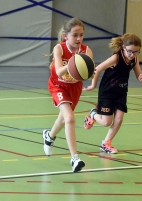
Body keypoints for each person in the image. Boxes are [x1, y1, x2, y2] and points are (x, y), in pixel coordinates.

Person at [42, 18, 93, 172]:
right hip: (58, 85)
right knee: (70, 118)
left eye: (81, 35)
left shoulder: (86, 51)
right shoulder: (59, 49)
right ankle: (75, 158)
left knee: (63, 119)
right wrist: (74, 62)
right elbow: (58, 71)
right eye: (75, 35)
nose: (79, 39)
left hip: (74, 88)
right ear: (66, 36)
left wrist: (90, 75)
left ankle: (49, 136)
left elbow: (89, 73)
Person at [83, 33, 142, 154]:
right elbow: (97, 69)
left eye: (136, 52)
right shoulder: (116, 58)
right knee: (106, 122)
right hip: (107, 92)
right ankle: (93, 114)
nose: (133, 55)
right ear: (123, 47)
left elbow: (138, 74)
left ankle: (106, 143)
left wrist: (141, 77)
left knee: (119, 120)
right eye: (130, 51)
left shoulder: (135, 59)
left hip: (121, 92)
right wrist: (93, 85)